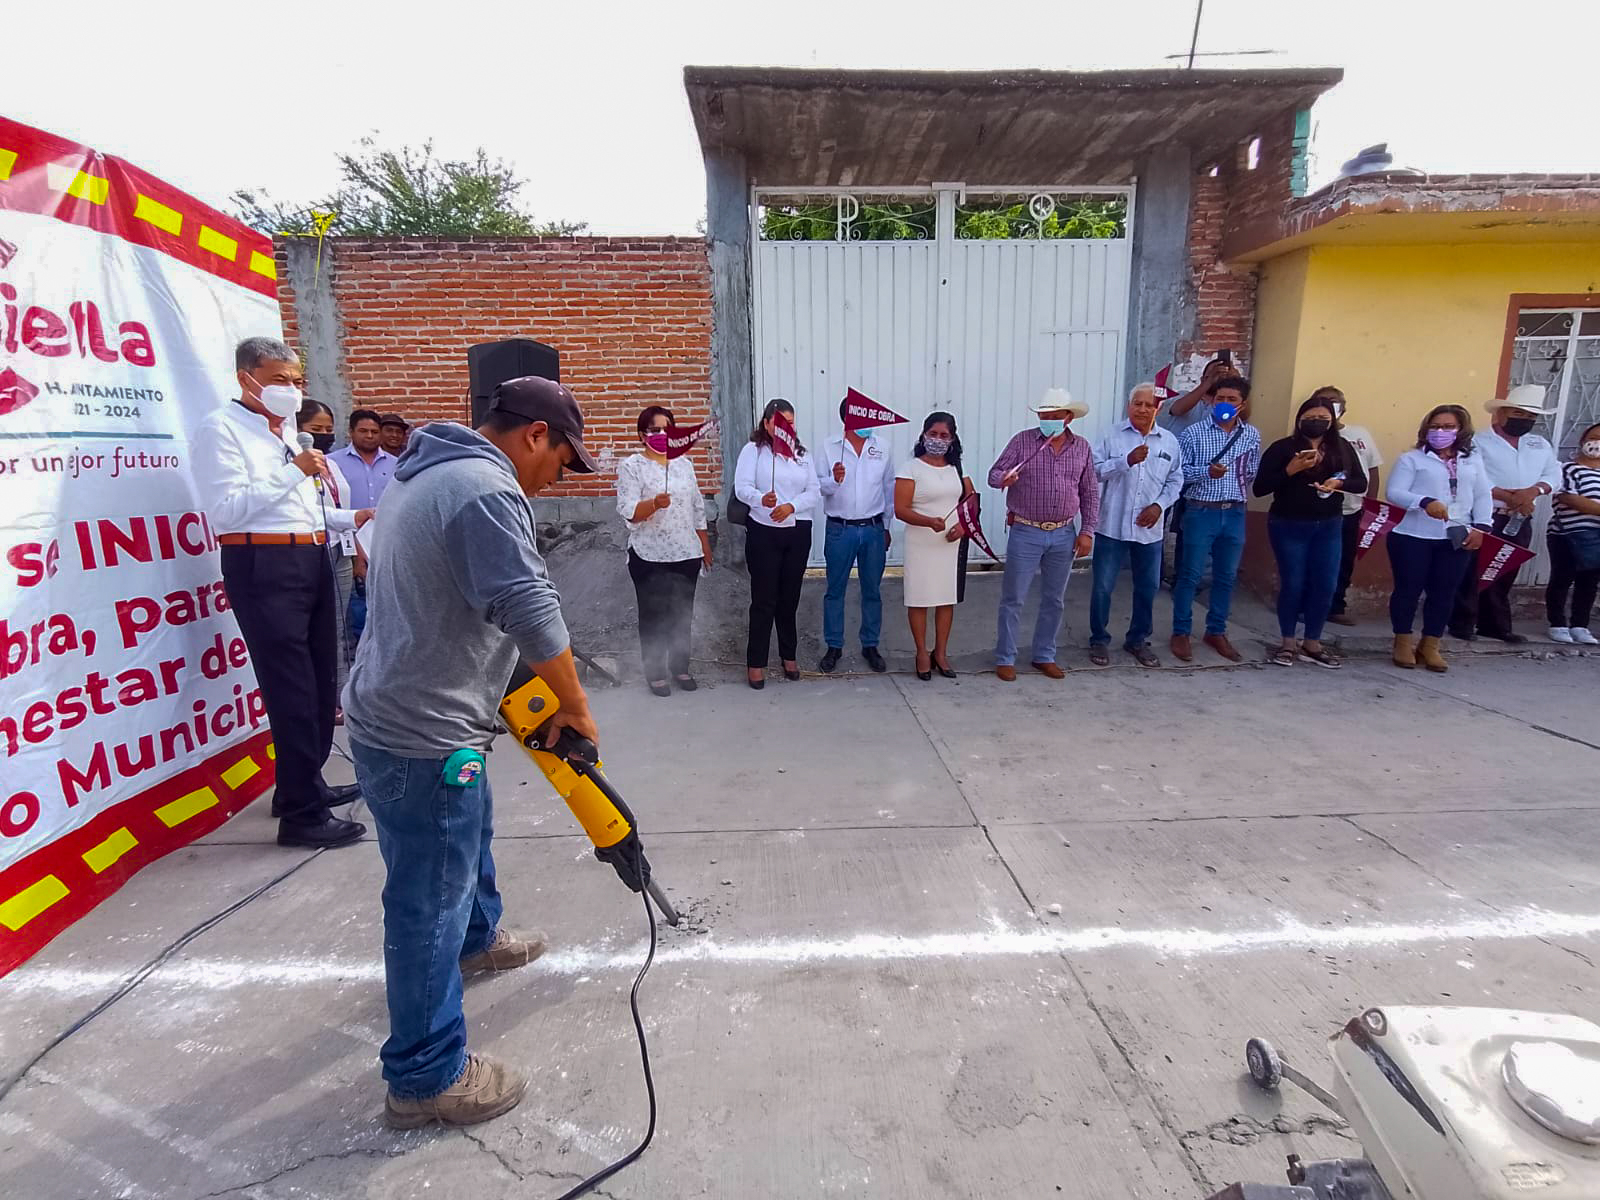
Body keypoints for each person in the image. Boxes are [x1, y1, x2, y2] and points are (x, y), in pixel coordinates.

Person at [343, 374, 600, 1128]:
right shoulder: (485, 490)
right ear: (534, 435)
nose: (558, 479)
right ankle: (425, 1077)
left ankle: (479, 938)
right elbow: (527, 603)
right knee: (429, 898)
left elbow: (461, 597)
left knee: (465, 839)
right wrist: (578, 708)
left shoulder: (426, 471)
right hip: (424, 727)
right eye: (561, 461)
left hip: (404, 708)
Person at [190, 338, 372, 848]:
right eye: (278, 381)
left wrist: (351, 518)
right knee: (290, 685)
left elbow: (301, 509)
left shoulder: (288, 434)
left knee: (319, 679)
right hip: (262, 563)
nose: (290, 391)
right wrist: (295, 469)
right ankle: (302, 816)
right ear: (246, 377)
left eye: (296, 381)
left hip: (311, 554)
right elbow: (227, 511)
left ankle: (302, 784)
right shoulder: (220, 430)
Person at [988, 389, 1100, 681]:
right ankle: (1005, 657)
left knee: (1055, 599)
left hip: (1064, 532)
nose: (1047, 421)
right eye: (1043, 416)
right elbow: (994, 474)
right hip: (1026, 529)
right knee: (1014, 598)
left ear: (1068, 417)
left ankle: (1044, 655)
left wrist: (1087, 531)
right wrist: (1004, 478)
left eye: (1053, 416)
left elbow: (1089, 492)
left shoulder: (1082, 448)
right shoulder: (1022, 441)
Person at [1253, 394, 1368, 667]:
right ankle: (1288, 642)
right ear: (1299, 419)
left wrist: (1337, 483)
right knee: (1293, 583)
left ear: (1333, 421)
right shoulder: (1283, 448)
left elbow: (1359, 481)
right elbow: (1260, 487)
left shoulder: (1342, 449)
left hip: (1328, 525)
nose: (1316, 423)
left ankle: (1313, 643)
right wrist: (1290, 470)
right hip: (1289, 524)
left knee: (1325, 584)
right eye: (1310, 418)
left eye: (1323, 419)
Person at [1449, 385, 1562, 643]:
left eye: (1531, 416)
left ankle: (1495, 625)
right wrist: (1505, 495)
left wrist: (1533, 491)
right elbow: (1469, 475)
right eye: (1519, 413)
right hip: (1487, 515)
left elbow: (1553, 475)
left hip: (1520, 516)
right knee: (1473, 569)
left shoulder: (1540, 444)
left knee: (1505, 569)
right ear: (1501, 413)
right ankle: (1462, 622)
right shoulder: (1477, 441)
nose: (1525, 420)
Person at [1385, 404, 1493, 672]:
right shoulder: (1412, 459)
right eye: (1435, 426)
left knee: (1445, 592)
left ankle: (1431, 644)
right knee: (1408, 590)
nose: (1440, 432)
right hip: (1413, 535)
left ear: (1461, 430)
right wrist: (1424, 501)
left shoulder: (1472, 460)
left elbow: (1482, 494)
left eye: (1448, 427)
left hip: (1456, 536)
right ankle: (1402, 641)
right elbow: (1395, 492)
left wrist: (1482, 528)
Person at [615, 405, 713, 696]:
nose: (661, 434)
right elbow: (630, 511)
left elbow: (697, 509)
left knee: (682, 614)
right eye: (654, 429)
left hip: (686, 553)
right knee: (653, 615)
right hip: (649, 555)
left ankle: (680, 667)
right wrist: (654, 504)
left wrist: (704, 546)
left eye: (666, 428)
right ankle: (655, 672)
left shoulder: (684, 464)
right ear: (642, 435)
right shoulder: (632, 466)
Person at [1090, 382, 1184, 667]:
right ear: (1128, 405)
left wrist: (1159, 506)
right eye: (1137, 403)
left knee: (1147, 587)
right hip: (1112, 526)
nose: (1142, 409)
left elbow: (1176, 479)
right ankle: (1099, 640)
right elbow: (1093, 472)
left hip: (1149, 530)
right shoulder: (1111, 435)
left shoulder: (1168, 441)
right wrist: (1125, 461)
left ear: (1159, 408)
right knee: (1103, 587)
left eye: (1149, 405)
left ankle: (1138, 640)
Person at [1170, 375, 1261, 664]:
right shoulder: (1193, 433)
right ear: (1211, 399)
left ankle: (1216, 630)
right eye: (1219, 398)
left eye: (1231, 400)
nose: (1224, 404)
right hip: (1201, 510)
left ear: (1242, 404)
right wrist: (1206, 473)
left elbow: (1251, 471)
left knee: (1226, 576)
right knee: (1190, 575)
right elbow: (1180, 474)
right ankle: (1181, 632)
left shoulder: (1251, 435)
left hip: (1234, 511)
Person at [734, 399, 822, 689]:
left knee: (789, 598)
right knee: (763, 600)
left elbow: (814, 491)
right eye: (781, 421)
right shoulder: (753, 451)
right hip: (763, 529)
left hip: (797, 529)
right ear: (768, 423)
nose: (788, 427)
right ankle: (756, 662)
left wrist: (791, 506)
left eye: (792, 422)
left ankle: (789, 655)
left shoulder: (802, 454)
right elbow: (742, 487)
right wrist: (762, 499)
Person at [817, 398, 896, 674]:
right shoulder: (829, 447)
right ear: (847, 420)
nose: (868, 424)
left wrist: (887, 526)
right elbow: (818, 486)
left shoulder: (882, 447)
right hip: (840, 529)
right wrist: (833, 480)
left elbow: (889, 489)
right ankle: (834, 646)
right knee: (835, 589)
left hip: (873, 528)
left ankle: (870, 644)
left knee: (872, 590)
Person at [895, 412, 974, 680]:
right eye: (933, 434)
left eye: (944, 436)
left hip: (950, 544)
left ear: (952, 439)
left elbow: (971, 501)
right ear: (923, 435)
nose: (938, 440)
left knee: (945, 599)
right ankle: (921, 652)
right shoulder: (911, 468)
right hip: (921, 541)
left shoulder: (957, 469)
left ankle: (941, 652)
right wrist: (928, 521)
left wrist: (964, 527)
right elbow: (900, 509)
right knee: (919, 599)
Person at [296, 399, 363, 708]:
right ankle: (330, 698)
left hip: (341, 548)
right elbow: (311, 512)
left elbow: (335, 506)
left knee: (340, 626)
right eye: (315, 429)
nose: (323, 435)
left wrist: (356, 521)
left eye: (327, 429)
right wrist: (352, 517)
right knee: (321, 629)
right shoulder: (293, 465)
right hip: (310, 551)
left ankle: (342, 693)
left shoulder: (331, 462)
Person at [1316, 386, 1384, 626]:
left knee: (1344, 560)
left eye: (1335, 401)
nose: (1331, 405)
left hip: (1353, 509)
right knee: (1316, 560)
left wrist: (1371, 502)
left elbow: (1372, 469)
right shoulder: (1315, 435)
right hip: (1321, 511)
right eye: (1324, 401)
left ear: (1343, 406)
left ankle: (1336, 606)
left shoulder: (1360, 433)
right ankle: (1309, 607)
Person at [1546, 422, 1600, 645]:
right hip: (1566, 534)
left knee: (1589, 581)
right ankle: (1557, 624)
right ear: (1583, 440)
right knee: (1562, 578)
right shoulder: (1567, 469)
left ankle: (1580, 625)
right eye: (1594, 437)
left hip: (1597, 537)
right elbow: (1568, 497)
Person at [329, 407, 398, 509]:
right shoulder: (331, 462)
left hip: (386, 524)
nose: (369, 436)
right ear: (351, 432)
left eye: (374, 432)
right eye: (363, 431)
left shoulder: (396, 464)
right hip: (346, 524)